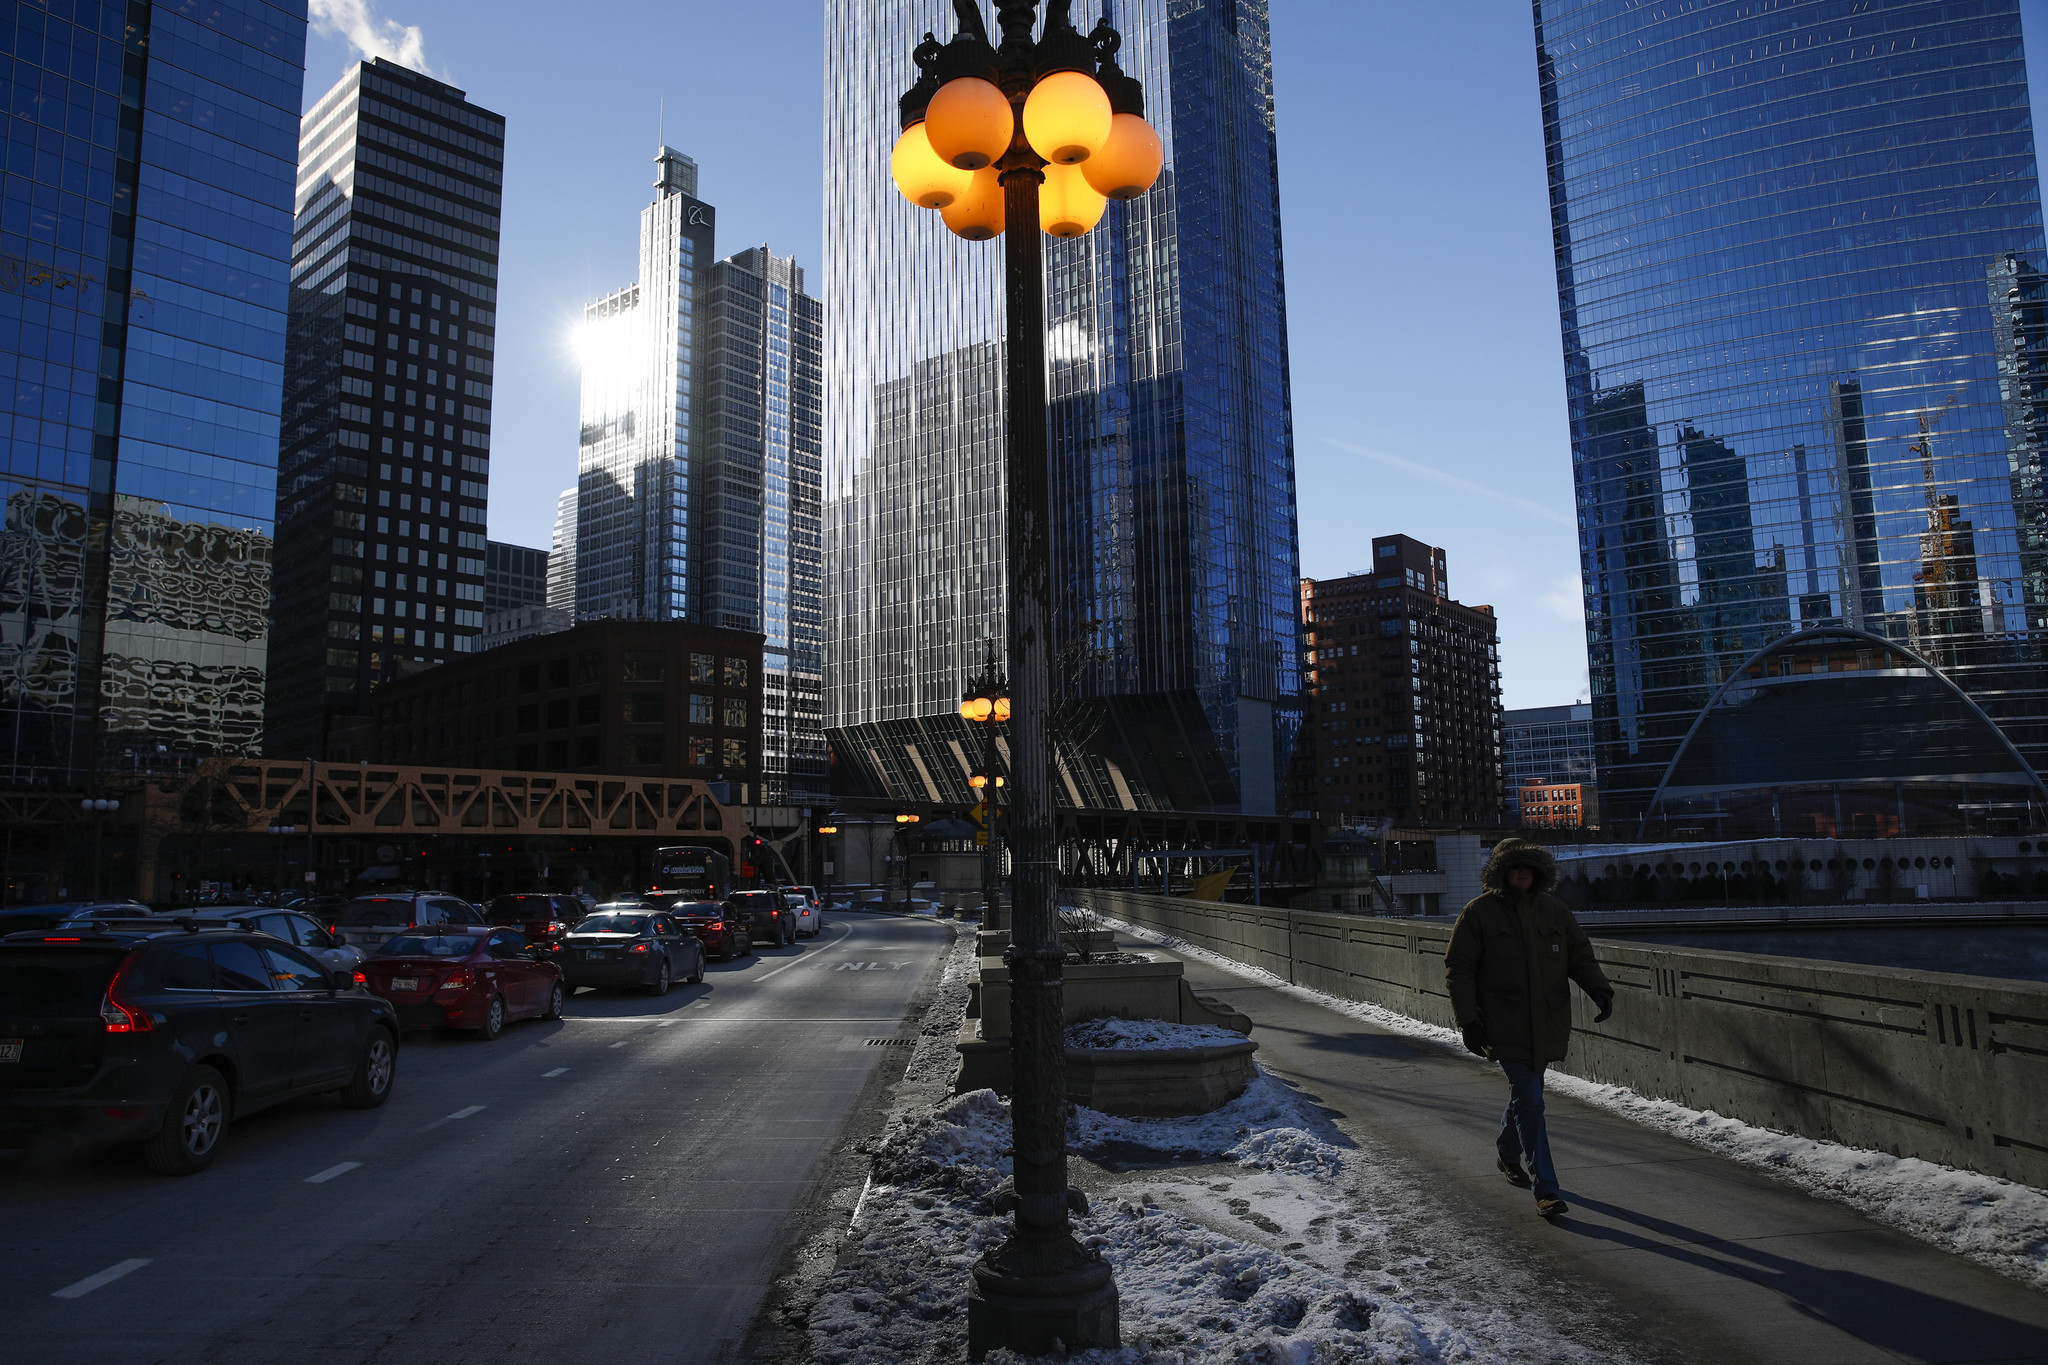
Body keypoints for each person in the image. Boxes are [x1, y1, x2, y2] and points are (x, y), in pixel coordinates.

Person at [1444, 839, 1614, 1218]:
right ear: (1501, 872)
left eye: (1530, 868)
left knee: (1526, 1098)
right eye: (1516, 867)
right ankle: (1547, 1190)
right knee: (1532, 1101)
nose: (1523, 873)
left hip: (1548, 1022)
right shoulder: (1478, 913)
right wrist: (1468, 1022)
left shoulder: (1554, 911)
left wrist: (1600, 990)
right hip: (1503, 1025)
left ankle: (1507, 1154)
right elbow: (1460, 971)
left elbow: (1580, 957)